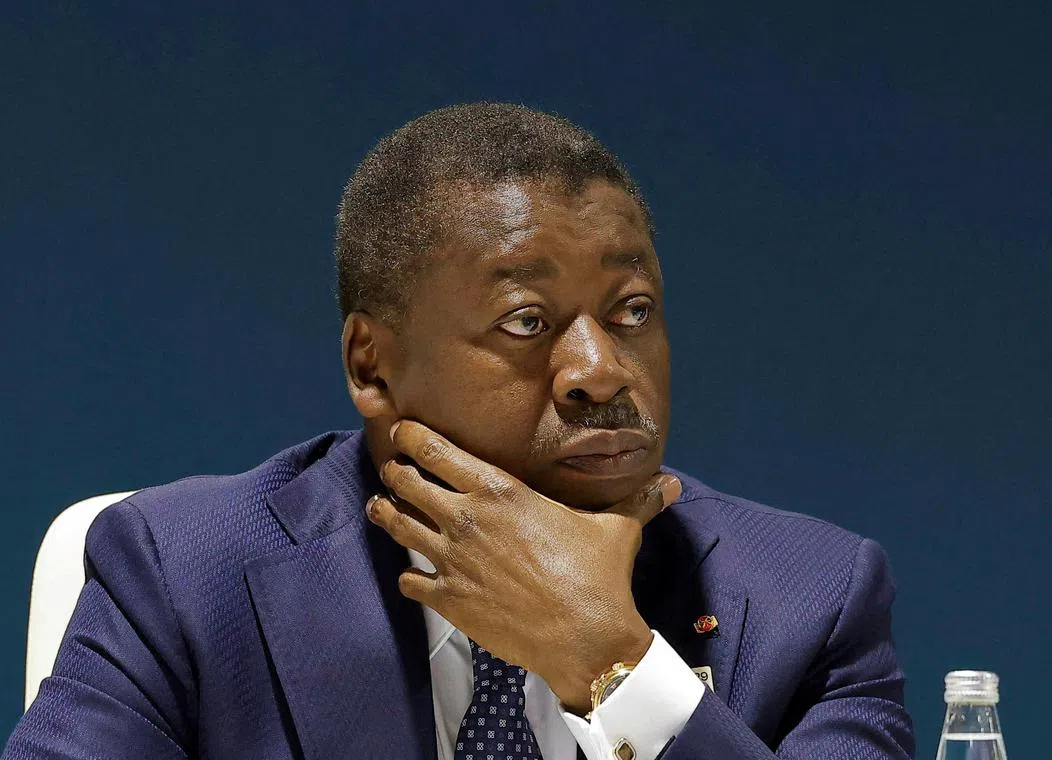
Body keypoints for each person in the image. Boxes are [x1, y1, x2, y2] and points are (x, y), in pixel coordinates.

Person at [5, 103, 915, 759]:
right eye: (527, 321)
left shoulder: (809, 599)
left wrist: (610, 659)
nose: (600, 370)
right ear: (372, 365)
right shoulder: (186, 574)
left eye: (632, 310)